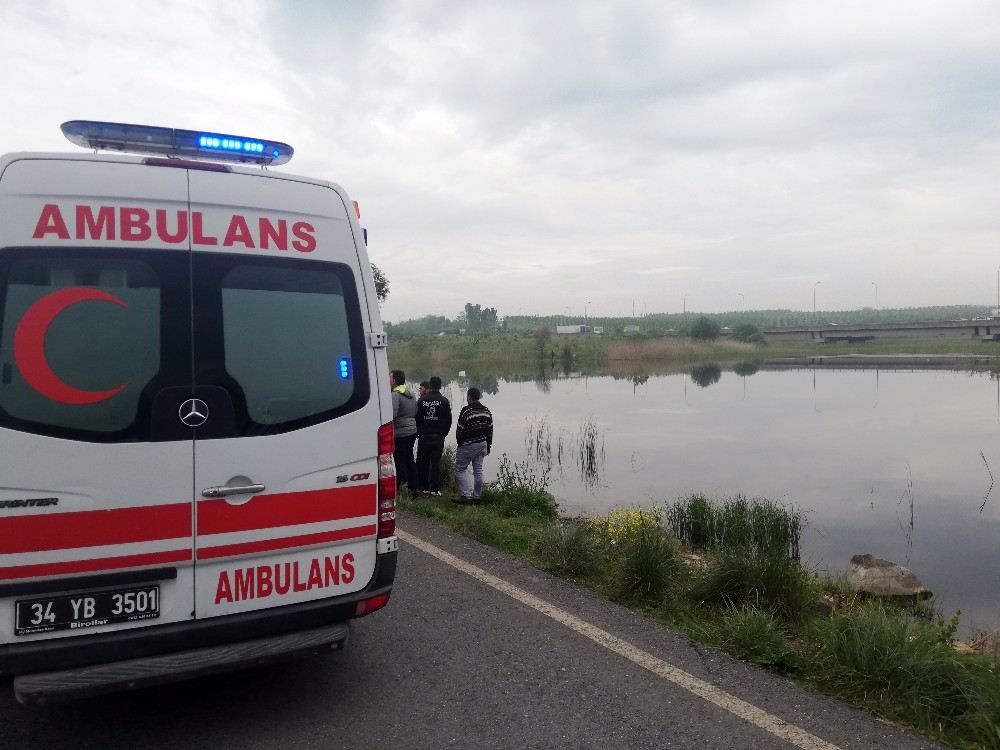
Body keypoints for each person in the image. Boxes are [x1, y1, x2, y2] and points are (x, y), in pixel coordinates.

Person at [453, 387, 493, 504]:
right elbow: (490, 430)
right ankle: (477, 497)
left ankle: (466, 496)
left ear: (469, 397)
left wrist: (460, 443)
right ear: (478, 397)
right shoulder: (486, 411)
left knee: (460, 469)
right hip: (482, 444)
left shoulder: (466, 411)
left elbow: (460, 429)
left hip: (468, 444)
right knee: (478, 471)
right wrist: (488, 446)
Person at [415, 376, 452, 495]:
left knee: (423, 463)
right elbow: (448, 420)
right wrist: (443, 434)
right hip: (438, 436)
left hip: (424, 436)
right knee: (436, 463)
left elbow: (417, 419)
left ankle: (423, 487)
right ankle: (435, 489)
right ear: (440, 386)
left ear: (430, 386)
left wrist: (420, 432)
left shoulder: (421, 401)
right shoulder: (444, 401)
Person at [390, 369, 418, 496]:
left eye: (390, 378)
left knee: (399, 460)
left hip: (400, 432)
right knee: (409, 458)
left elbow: (392, 414)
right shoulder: (411, 393)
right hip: (412, 431)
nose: (388, 381)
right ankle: (414, 486)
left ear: (394, 380)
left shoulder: (395, 395)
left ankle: (403, 487)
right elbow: (415, 412)